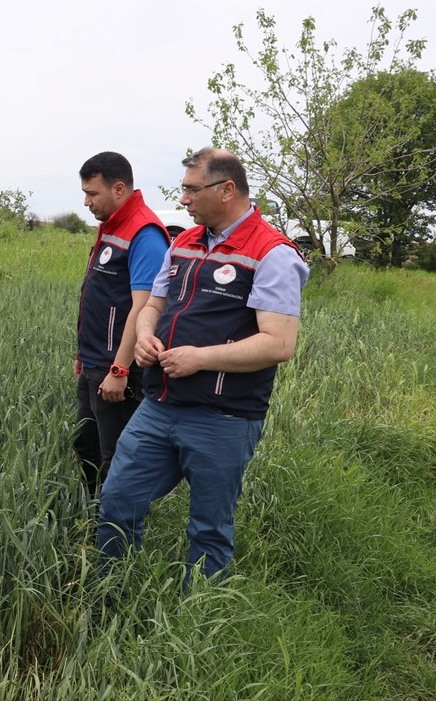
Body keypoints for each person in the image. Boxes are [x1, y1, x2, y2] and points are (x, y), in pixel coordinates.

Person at [96, 147, 310, 581]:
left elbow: (278, 343)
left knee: (209, 529)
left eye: (192, 190)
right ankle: (109, 597)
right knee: (117, 500)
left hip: (224, 417)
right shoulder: (183, 242)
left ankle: (196, 622)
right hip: (159, 405)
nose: (185, 199)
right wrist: (144, 337)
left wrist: (199, 359)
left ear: (226, 190)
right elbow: (154, 304)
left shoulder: (273, 253)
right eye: (184, 190)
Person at [73, 152, 169, 501]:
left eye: (92, 193)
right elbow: (97, 297)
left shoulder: (144, 233)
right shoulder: (112, 226)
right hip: (94, 361)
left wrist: (120, 367)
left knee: (117, 457)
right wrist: (81, 352)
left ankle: (115, 539)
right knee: (86, 443)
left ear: (118, 188)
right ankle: (91, 512)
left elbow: (143, 307)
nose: (86, 202)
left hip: (117, 367)